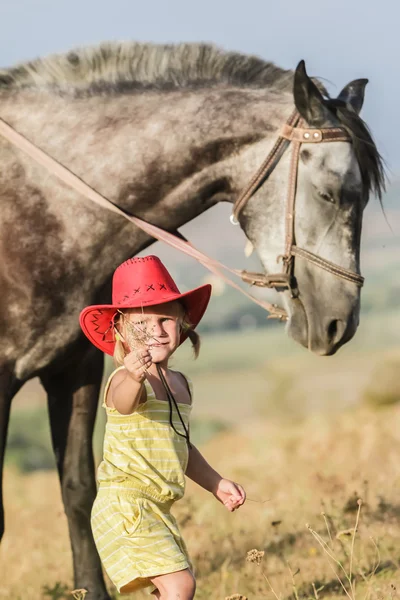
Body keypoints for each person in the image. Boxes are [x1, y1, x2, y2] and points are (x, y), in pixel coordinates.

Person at [80, 255, 246, 599]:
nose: (155, 331)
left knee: (167, 591)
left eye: (165, 320)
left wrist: (216, 483)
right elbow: (124, 403)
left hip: (158, 507)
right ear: (121, 331)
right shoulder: (123, 381)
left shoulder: (181, 384)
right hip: (125, 503)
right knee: (179, 585)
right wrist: (133, 375)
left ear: (183, 323)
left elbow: (180, 447)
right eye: (142, 324)